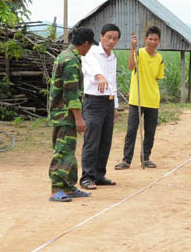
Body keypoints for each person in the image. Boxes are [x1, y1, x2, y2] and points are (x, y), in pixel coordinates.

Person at [47, 27, 96, 202]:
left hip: (61, 113)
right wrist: (78, 117)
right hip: (64, 114)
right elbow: (71, 92)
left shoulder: (65, 56)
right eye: (89, 46)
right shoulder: (71, 61)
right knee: (62, 151)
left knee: (68, 150)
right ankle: (57, 189)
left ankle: (68, 187)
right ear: (85, 44)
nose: (89, 50)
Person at [116, 26, 164, 169]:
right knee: (131, 130)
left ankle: (146, 158)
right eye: (150, 39)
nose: (152, 42)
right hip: (136, 99)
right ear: (145, 39)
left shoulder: (160, 59)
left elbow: (157, 77)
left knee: (150, 132)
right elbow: (131, 67)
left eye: (155, 39)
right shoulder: (138, 52)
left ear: (159, 41)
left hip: (153, 99)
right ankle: (126, 160)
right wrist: (132, 47)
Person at [79, 23, 120, 190]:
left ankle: (99, 174)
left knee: (105, 140)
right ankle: (87, 177)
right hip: (93, 101)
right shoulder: (92, 53)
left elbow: (113, 82)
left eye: (115, 38)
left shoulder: (113, 57)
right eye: (108, 37)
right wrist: (100, 76)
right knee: (92, 140)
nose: (111, 41)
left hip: (108, 101)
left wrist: (115, 106)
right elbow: (91, 68)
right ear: (101, 37)